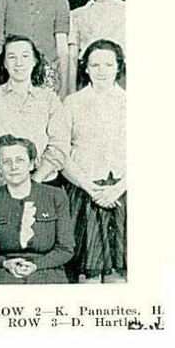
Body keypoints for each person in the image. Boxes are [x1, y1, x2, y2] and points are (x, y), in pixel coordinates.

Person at [63, 40, 126, 283]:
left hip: (122, 194)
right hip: (83, 194)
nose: (102, 71)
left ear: (118, 67)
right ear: (86, 68)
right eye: (95, 65)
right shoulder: (72, 103)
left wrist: (117, 190)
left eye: (108, 64)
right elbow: (61, 154)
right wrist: (91, 189)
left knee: (119, 277)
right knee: (88, 277)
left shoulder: (131, 102)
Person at [0, 134, 74, 284]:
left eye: (20, 160)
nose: (14, 167)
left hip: (47, 269)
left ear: (32, 164)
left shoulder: (55, 196)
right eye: (6, 162)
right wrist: (4, 263)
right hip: (1, 271)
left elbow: (65, 249)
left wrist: (37, 265)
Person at [0, 35, 69, 191]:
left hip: (42, 182)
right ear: (4, 63)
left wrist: (34, 182)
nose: (18, 63)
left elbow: (59, 146)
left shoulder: (49, 99)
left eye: (25, 56)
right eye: (12, 57)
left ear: (35, 61)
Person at [68, 0, 126, 93]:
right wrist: (71, 92)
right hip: (87, 81)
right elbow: (72, 59)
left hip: (121, 81)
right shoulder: (77, 15)